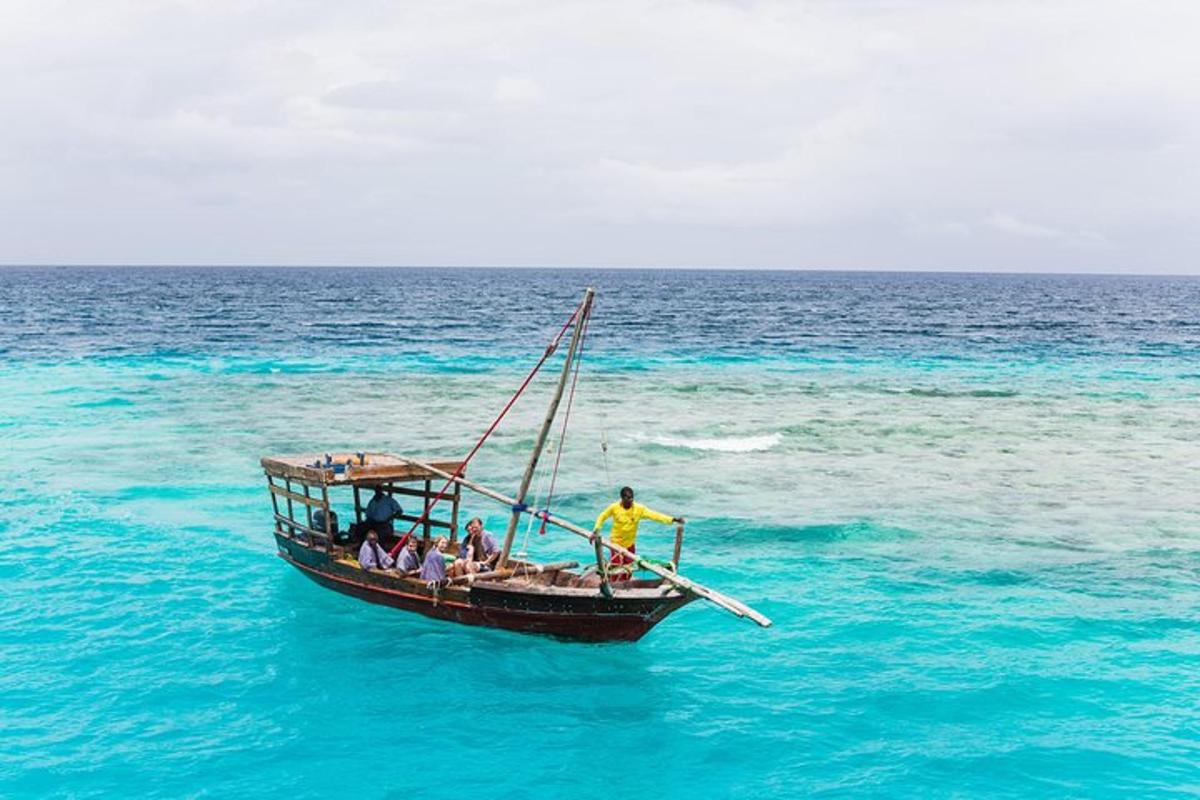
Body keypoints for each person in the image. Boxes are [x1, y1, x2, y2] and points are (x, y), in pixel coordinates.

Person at [590, 486, 683, 582]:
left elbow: (655, 515)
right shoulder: (614, 508)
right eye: (628, 498)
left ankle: (624, 585)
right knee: (616, 569)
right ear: (622, 498)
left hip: (630, 544)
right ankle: (614, 585)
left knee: (629, 569)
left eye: (632, 498)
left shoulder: (639, 509)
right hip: (616, 544)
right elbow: (602, 516)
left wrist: (672, 519)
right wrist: (596, 530)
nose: (631, 500)